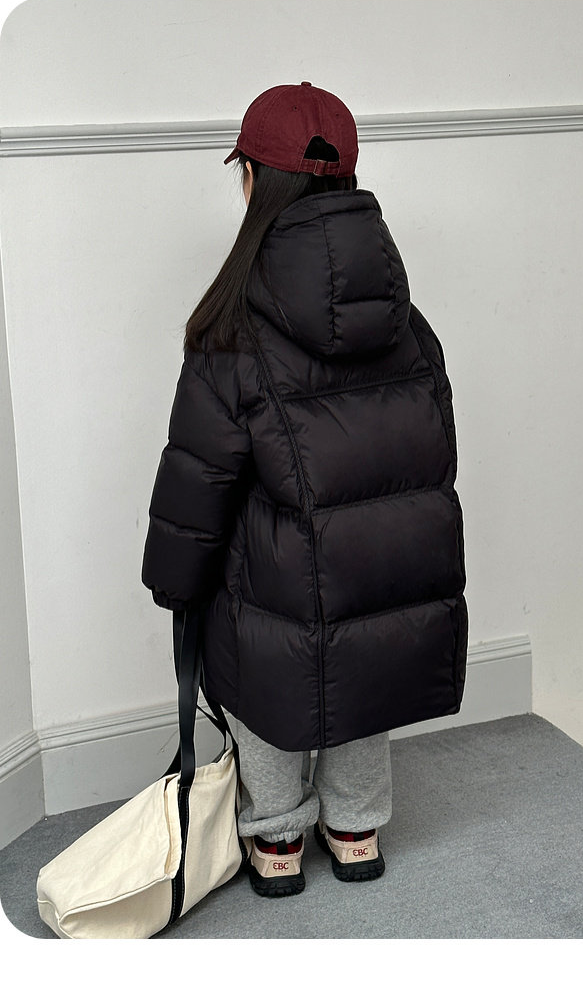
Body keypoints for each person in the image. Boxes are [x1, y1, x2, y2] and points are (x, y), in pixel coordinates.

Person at [141, 81, 468, 899]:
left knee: (265, 648)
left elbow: (200, 475)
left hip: (277, 581)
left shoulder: (231, 329)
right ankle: (356, 827)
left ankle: (278, 834)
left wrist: (175, 581)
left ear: (255, 179)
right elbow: (436, 453)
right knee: (362, 656)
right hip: (386, 575)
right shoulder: (408, 323)